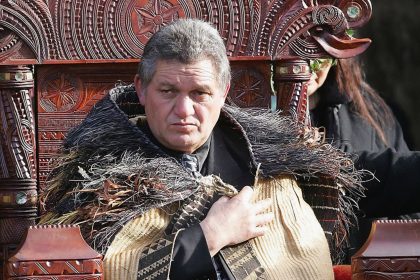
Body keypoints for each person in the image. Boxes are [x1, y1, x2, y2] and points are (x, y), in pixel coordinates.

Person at [39, 19, 363, 279]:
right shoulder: (98, 178)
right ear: (141, 90)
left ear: (223, 93)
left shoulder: (269, 170)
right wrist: (210, 235)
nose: (183, 109)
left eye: (199, 93)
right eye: (167, 91)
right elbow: (85, 269)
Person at [307, 56, 420, 261]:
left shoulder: (371, 111)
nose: (308, 65)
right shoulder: (248, 114)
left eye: (317, 53)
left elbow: (408, 218)